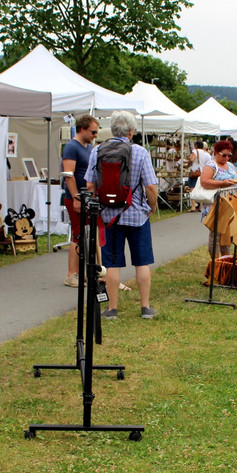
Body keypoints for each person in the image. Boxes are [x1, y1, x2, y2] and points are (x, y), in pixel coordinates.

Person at [85, 111, 159, 320]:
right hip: (136, 215)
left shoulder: (98, 150)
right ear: (131, 131)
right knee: (141, 262)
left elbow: (90, 184)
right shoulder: (140, 152)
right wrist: (150, 206)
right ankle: (145, 307)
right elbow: (151, 187)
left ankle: (112, 309)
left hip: (110, 216)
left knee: (112, 263)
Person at [60, 114, 100, 287]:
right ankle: (71, 274)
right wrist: (76, 197)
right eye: (92, 132)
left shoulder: (88, 147)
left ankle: (81, 271)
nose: (94, 135)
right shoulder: (71, 147)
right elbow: (69, 175)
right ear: (82, 129)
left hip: (87, 197)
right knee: (77, 234)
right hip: (76, 197)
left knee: (87, 234)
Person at [199, 139, 237, 255]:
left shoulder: (230, 165)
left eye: (229, 155)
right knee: (216, 233)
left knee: (227, 233)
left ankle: (225, 258)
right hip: (216, 204)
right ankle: (216, 262)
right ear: (216, 152)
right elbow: (204, 182)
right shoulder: (211, 165)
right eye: (224, 155)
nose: (227, 158)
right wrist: (222, 183)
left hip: (231, 203)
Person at [186, 140, 211, 211]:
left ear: (196, 145)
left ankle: (193, 206)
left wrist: (188, 164)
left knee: (192, 188)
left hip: (194, 172)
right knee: (200, 189)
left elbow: (192, 159)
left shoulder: (195, 151)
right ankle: (201, 206)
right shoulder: (206, 153)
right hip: (202, 172)